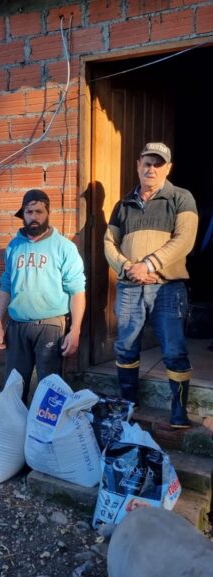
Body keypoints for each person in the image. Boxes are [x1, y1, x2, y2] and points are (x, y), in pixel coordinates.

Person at [104, 142, 198, 428]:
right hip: (130, 286)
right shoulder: (123, 205)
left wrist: (149, 264)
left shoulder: (181, 198)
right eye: (147, 162)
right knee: (125, 346)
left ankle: (179, 411)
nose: (151, 168)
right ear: (138, 164)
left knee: (173, 349)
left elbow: (184, 240)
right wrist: (127, 267)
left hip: (167, 287)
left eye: (158, 164)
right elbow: (110, 243)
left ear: (168, 168)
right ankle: (129, 402)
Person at [0, 189, 86, 403]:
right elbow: (6, 286)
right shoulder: (14, 247)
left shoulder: (64, 247)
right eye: (29, 212)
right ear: (23, 214)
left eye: (39, 211)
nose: (34, 217)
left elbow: (77, 291)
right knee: (14, 388)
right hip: (17, 327)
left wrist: (75, 330)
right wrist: (0, 323)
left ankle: (48, 434)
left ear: (48, 213)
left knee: (51, 390)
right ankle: (17, 431)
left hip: (50, 327)